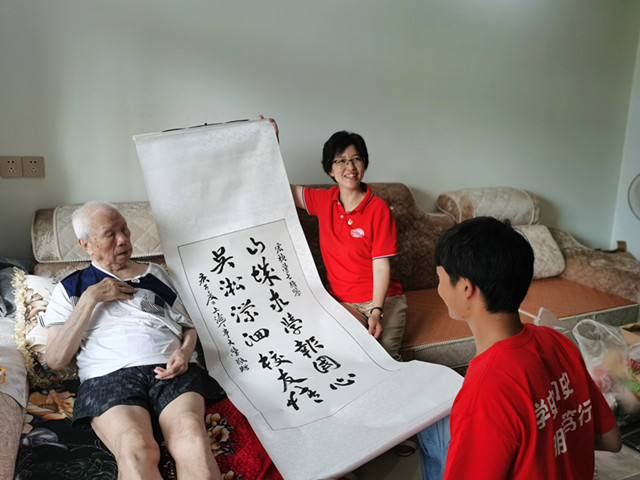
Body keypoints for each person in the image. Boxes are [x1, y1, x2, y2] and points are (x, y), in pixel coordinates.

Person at [419, 216, 621, 479]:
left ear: (466, 288)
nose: (439, 290)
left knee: (429, 427)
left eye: (440, 279)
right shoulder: (556, 341)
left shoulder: (484, 393)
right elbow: (611, 439)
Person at [43, 201, 225, 480]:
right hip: (108, 377)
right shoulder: (71, 287)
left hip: (170, 369)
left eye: (125, 230)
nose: (123, 240)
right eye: (110, 234)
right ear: (85, 244)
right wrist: (90, 299)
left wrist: (185, 352)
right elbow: (56, 359)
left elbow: (190, 325)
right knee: (136, 447)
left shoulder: (156, 274)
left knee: (191, 435)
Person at [288, 128, 408, 361]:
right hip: (345, 303)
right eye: (341, 161)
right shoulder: (323, 201)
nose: (350, 167)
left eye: (356, 159)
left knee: (386, 358)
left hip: (384, 299)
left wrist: (376, 311)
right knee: (349, 357)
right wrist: (269, 139)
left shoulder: (378, 209)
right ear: (330, 170)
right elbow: (281, 189)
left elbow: (381, 266)